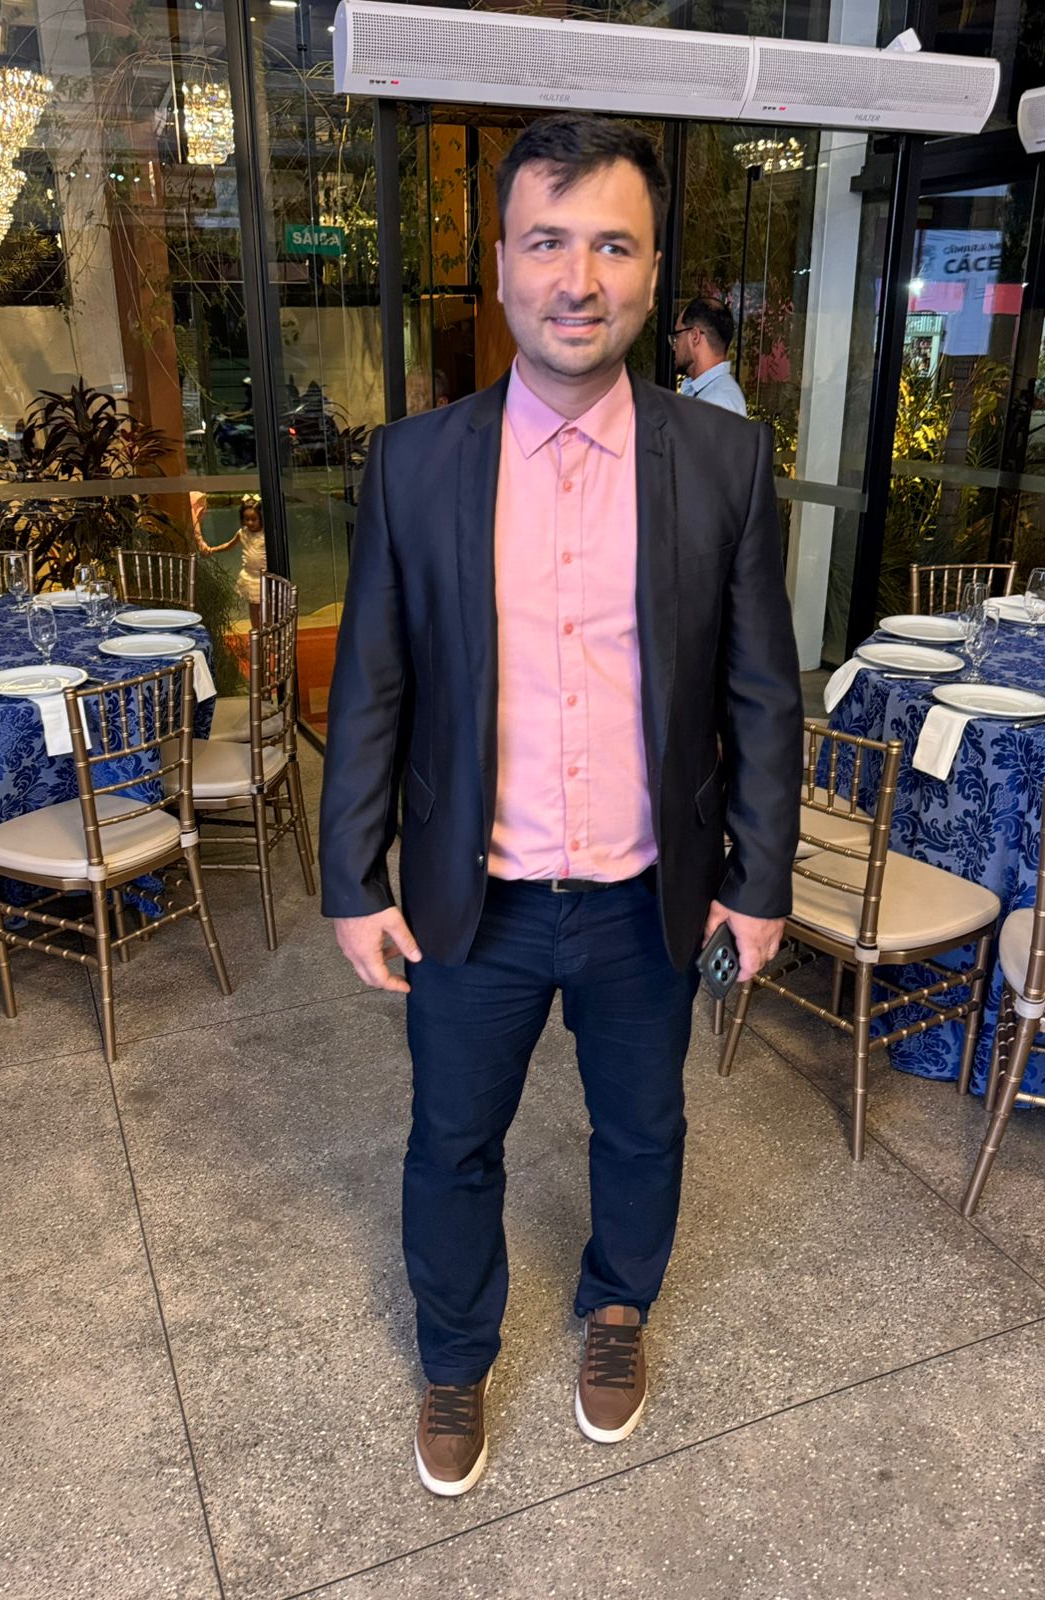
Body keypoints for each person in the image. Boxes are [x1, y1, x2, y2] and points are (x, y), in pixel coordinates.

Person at [319, 114, 802, 1498]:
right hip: (473, 900)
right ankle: (455, 1354)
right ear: (501, 267)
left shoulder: (724, 463)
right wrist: (353, 879)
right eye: (547, 242)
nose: (577, 278)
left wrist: (759, 881)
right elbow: (373, 685)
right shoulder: (416, 462)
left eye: (612, 245)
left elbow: (763, 692)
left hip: (651, 898)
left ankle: (616, 1305)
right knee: (451, 1141)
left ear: (652, 274)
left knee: (643, 1129)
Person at [193, 491, 266, 627]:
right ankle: (256, 630)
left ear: (261, 518)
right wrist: (212, 550)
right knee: (254, 606)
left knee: (268, 606)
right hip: (250, 576)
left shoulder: (265, 534)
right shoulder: (242, 533)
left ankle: (269, 631)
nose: (250, 522)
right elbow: (228, 545)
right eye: (246, 519)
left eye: (254, 519)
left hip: (265, 576)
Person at [670, 296, 748, 415]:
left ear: (695, 337)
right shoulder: (713, 394)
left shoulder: (718, 401)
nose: (674, 346)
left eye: (677, 336)